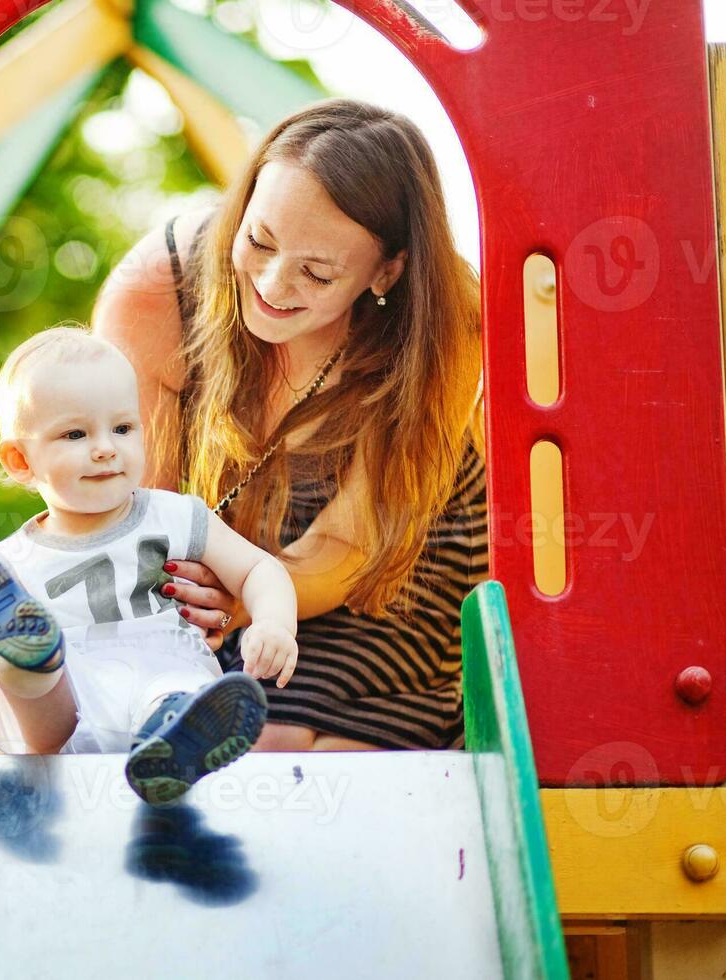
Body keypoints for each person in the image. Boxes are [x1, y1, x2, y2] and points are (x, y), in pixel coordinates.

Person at [93, 97, 488, 752]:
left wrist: (247, 598)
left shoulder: (447, 320)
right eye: (259, 240)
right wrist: (193, 595)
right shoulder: (156, 290)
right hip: (234, 551)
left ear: (386, 271)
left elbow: (351, 547)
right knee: (206, 722)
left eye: (317, 272)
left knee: (294, 743)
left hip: (396, 562)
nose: (273, 284)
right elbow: (140, 511)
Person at [0, 325, 300, 805]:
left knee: (174, 688)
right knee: (10, 660)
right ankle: (26, 655)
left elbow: (257, 570)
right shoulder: (11, 563)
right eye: (76, 433)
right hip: (61, 714)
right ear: (21, 460)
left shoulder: (175, 517)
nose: (105, 447)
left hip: (159, 667)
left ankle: (174, 742)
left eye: (122, 428)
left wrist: (274, 623)